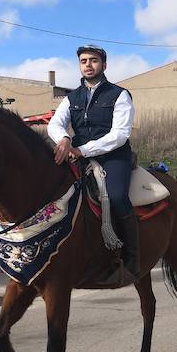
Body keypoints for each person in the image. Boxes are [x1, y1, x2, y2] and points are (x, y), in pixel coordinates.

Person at [48, 44, 139, 283]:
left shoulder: (119, 95)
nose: (88, 65)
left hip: (113, 156)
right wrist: (64, 138)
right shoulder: (71, 98)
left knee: (118, 196)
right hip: (78, 153)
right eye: (84, 61)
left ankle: (132, 255)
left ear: (104, 65)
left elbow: (120, 134)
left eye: (94, 60)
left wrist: (82, 149)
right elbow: (54, 124)